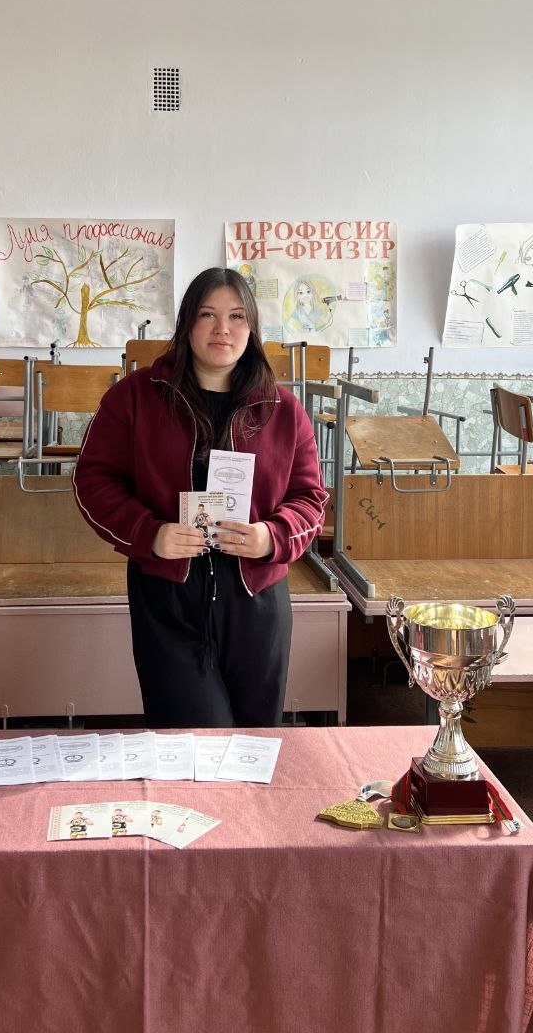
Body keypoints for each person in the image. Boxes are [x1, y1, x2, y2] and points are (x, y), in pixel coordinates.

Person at [72, 266, 328, 728]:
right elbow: (92, 480)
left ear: (252, 327)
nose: (222, 329)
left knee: (253, 744)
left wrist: (271, 537)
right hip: (168, 600)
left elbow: (310, 498)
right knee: (192, 743)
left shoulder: (283, 410)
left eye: (236, 316)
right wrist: (149, 534)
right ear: (187, 322)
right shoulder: (135, 398)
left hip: (256, 601)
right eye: (208, 314)